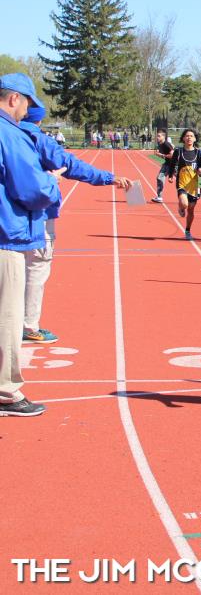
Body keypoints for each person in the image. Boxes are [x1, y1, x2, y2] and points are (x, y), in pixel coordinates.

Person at [19, 105, 131, 342]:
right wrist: (109, 178)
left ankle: (10, 323)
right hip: (37, 215)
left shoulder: (7, 134)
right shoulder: (38, 140)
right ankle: (28, 327)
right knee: (36, 266)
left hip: (8, 214)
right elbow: (71, 165)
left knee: (11, 268)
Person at [0, 73, 62, 417]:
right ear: (14, 99)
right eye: (27, 104)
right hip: (5, 238)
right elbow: (31, 191)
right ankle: (6, 393)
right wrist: (52, 183)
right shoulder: (9, 134)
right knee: (8, 318)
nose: (27, 113)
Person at [166, 129, 201, 240]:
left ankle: (187, 230)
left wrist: (200, 171)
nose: (189, 138)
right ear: (183, 138)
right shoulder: (178, 151)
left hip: (193, 185)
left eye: (191, 136)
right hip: (181, 183)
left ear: (195, 139)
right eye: (187, 136)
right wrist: (170, 176)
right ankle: (181, 207)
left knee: (191, 210)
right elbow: (172, 164)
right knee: (184, 204)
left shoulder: (199, 153)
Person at [151, 128, 174, 203]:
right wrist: (159, 154)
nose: (157, 137)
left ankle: (195, 190)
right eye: (157, 136)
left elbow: (172, 155)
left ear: (163, 137)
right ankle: (159, 197)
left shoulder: (166, 144)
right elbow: (161, 153)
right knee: (159, 178)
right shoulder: (160, 144)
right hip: (167, 163)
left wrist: (162, 155)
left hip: (174, 164)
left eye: (159, 136)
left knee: (181, 179)